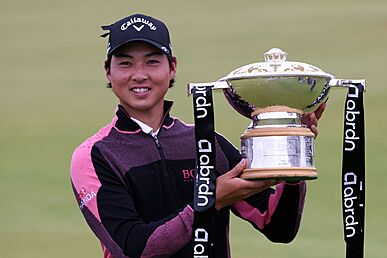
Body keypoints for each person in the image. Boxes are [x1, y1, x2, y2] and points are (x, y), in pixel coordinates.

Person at [70, 13, 326, 258]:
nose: (139, 74)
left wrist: (292, 152)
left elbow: (277, 226)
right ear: (108, 72)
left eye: (152, 61)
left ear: (172, 68)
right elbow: (132, 248)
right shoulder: (96, 155)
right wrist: (209, 201)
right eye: (125, 63)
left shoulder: (208, 144)